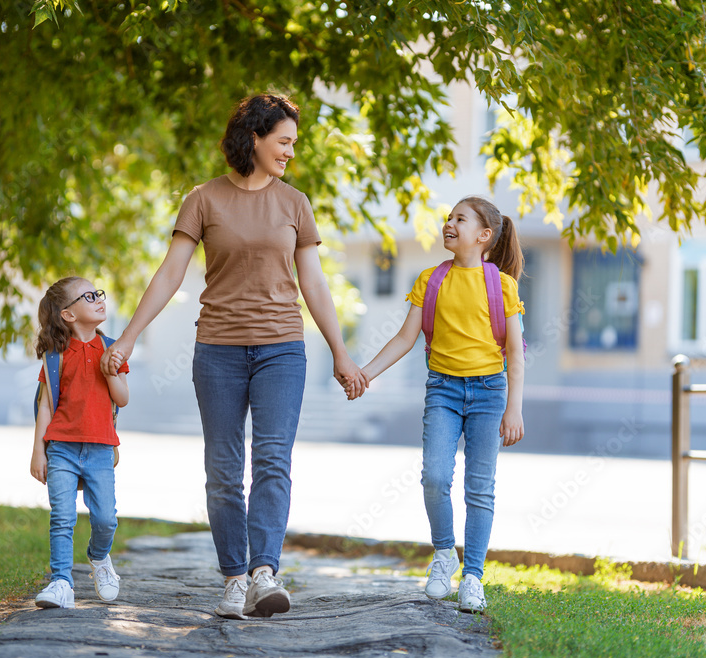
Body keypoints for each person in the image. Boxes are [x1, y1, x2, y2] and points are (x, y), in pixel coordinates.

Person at [102, 93, 367, 620]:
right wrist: (128, 336)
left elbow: (313, 281)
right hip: (217, 351)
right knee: (223, 469)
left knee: (272, 459)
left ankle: (264, 572)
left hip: (282, 350)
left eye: (294, 142)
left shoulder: (295, 203)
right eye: (284, 141)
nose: (291, 151)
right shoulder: (203, 199)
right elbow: (171, 272)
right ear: (254, 138)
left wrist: (340, 352)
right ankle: (233, 577)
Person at [354, 196, 525, 612]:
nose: (449, 223)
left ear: (484, 235)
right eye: (448, 218)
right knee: (434, 477)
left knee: (479, 488)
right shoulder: (432, 279)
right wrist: (365, 374)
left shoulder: (501, 284)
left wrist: (514, 409)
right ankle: (445, 553)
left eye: (459, 219)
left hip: (489, 392)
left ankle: (473, 577)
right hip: (443, 391)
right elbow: (403, 338)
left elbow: (516, 353)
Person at [30, 277, 130, 609]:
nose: (99, 299)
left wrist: (112, 369)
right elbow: (46, 404)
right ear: (68, 315)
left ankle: (99, 558)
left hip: (100, 448)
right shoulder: (55, 356)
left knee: (105, 519)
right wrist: (37, 451)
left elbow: (123, 399)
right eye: (88, 296)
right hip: (62, 447)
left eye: (98, 293)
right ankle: (61, 582)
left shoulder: (112, 348)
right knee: (62, 516)